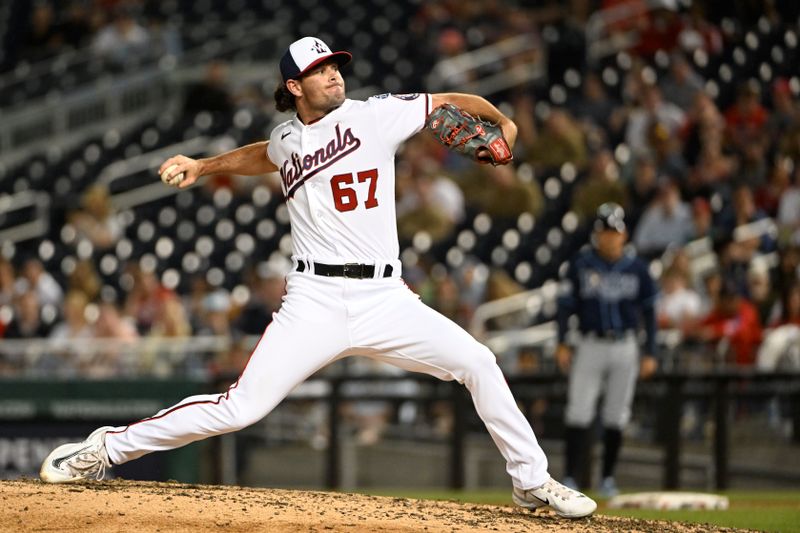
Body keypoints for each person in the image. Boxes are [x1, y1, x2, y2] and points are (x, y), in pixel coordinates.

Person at [39, 36, 596, 519]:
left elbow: (447, 102)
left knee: (477, 361)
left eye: (335, 66)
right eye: (320, 70)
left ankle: (531, 482)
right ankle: (105, 450)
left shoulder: (374, 114)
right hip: (315, 299)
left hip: (384, 297)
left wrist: (501, 118)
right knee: (241, 408)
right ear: (295, 86)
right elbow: (266, 154)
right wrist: (204, 166)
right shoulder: (286, 139)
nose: (334, 74)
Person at [556, 202, 658, 498]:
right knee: (578, 411)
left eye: (615, 231)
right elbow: (564, 308)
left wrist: (650, 351)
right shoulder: (581, 264)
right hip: (589, 343)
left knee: (617, 415)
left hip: (626, 344)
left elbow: (650, 314)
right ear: (597, 234)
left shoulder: (638, 268)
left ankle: (608, 478)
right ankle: (572, 477)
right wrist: (562, 341)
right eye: (605, 231)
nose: (610, 237)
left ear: (624, 234)